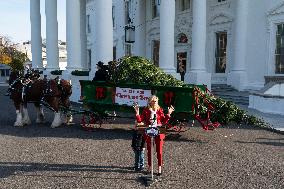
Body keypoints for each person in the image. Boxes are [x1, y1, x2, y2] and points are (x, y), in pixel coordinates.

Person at [133, 95, 174, 176]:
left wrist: (168, 114)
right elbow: (140, 120)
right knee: (150, 150)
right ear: (149, 101)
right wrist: (137, 113)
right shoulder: (146, 110)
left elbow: (163, 120)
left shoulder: (160, 109)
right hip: (149, 131)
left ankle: (159, 167)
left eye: (155, 101)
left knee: (159, 150)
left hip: (159, 131)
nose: (154, 102)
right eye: (152, 101)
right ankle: (150, 166)